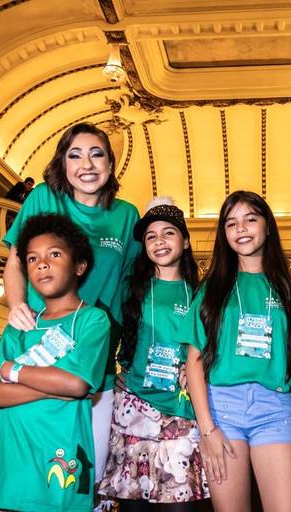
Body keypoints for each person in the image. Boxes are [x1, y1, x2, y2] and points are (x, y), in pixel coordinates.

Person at [1, 123, 140, 489]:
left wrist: (129, 352)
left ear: (110, 164)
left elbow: (130, 288)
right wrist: (16, 304)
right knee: (22, 469)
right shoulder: (44, 198)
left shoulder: (127, 215)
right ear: (62, 163)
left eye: (97, 154)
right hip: (38, 346)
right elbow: (15, 261)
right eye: (75, 155)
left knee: (81, 477)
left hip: (94, 353)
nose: (86, 164)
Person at [183, 191, 291, 512]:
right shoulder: (211, 289)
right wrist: (207, 430)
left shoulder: (290, 290)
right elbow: (194, 363)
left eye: (250, 219)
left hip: (274, 409)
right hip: (222, 410)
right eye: (231, 223)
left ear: (268, 227)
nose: (240, 228)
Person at [0, 214, 110, 511]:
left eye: (54, 254)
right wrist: (51, 387)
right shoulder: (19, 326)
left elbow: (76, 383)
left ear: (79, 266)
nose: (42, 264)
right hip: (11, 462)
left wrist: (11, 370)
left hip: (59, 458)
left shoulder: (92, 320)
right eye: (32, 259)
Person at [99, 199, 208, 510]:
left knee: (179, 504)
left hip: (182, 413)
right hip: (134, 409)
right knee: (134, 506)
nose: (159, 241)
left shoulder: (203, 293)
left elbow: (212, 346)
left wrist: (199, 368)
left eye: (168, 233)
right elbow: (107, 334)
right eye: (151, 236)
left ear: (185, 241)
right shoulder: (130, 289)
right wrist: (114, 373)